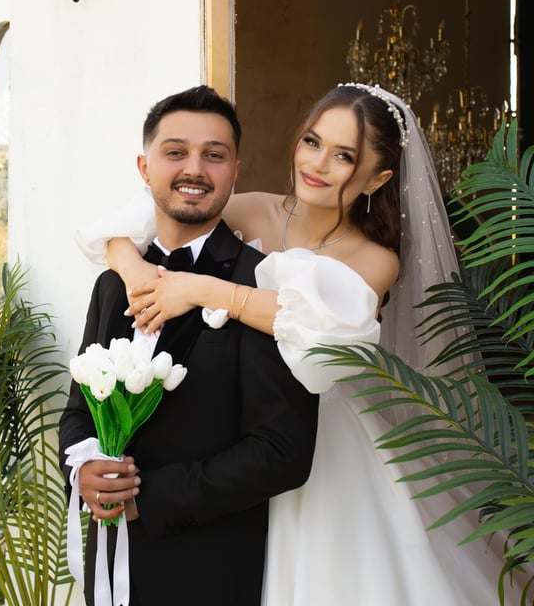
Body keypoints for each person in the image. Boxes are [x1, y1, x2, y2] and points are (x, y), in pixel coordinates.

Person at [75, 82, 529, 605]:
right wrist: (132, 268)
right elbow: (146, 217)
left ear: (377, 178)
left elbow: (313, 329)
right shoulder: (249, 209)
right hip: (234, 428)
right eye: (312, 142)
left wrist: (202, 289)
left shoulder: (375, 258)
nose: (318, 163)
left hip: (328, 443)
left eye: (344, 156)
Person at [58, 85, 319, 606]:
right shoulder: (113, 283)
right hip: (109, 565)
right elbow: (79, 410)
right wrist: (84, 468)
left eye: (213, 155)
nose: (194, 169)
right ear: (145, 167)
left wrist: (149, 499)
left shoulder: (264, 287)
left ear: (235, 171)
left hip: (210, 571)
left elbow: (283, 452)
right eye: (175, 152)